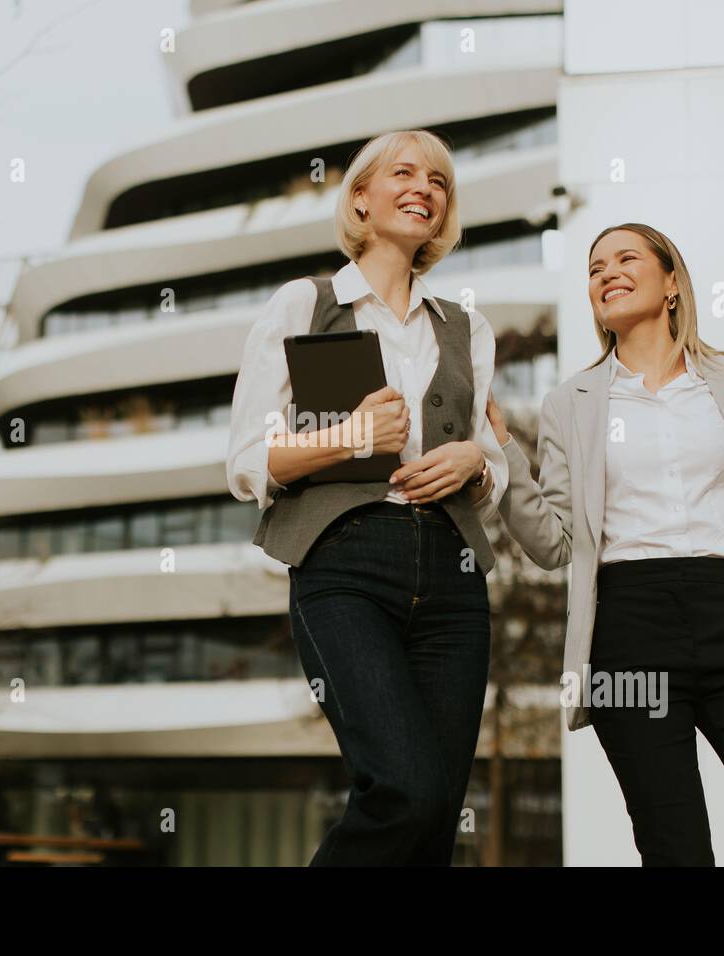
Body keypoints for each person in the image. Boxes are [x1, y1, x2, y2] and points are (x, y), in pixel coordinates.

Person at [490, 222, 724, 865]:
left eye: (625, 259)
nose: (606, 273)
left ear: (671, 282)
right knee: (676, 853)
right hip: (629, 628)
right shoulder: (572, 403)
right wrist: (504, 454)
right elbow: (556, 543)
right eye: (595, 268)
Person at [225, 129, 509, 864]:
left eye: (439, 181)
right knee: (404, 789)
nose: (424, 188)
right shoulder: (304, 304)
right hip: (345, 564)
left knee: (437, 817)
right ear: (360, 198)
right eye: (404, 173)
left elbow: (496, 462)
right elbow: (249, 462)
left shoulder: (466, 328)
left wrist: (476, 460)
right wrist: (349, 436)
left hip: (452, 574)